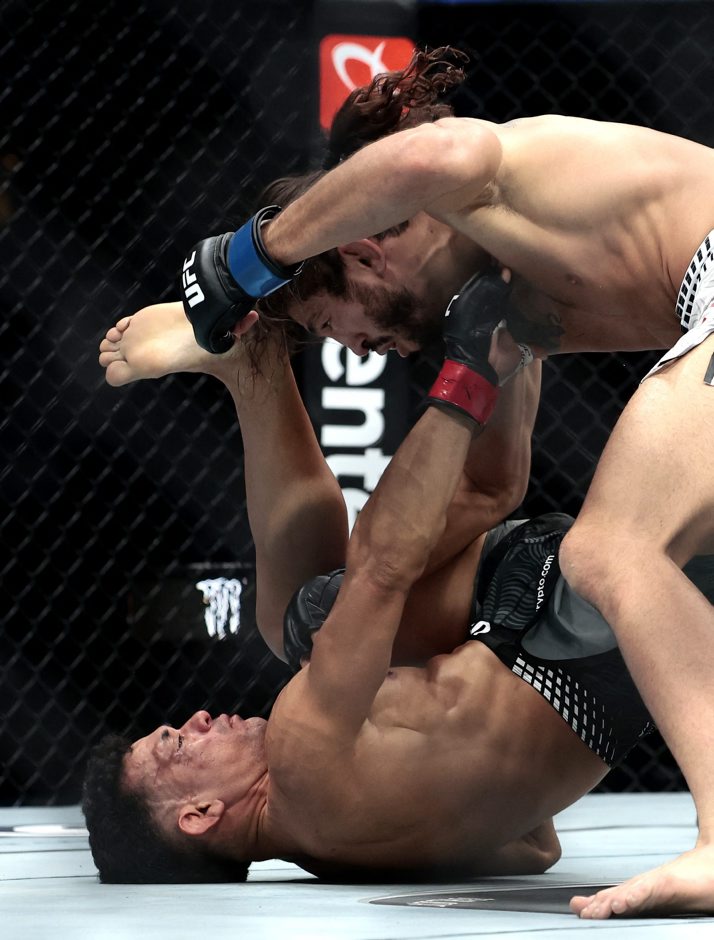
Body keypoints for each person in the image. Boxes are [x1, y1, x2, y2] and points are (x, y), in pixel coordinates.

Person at [173, 48, 714, 917]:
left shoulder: (471, 185)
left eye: (334, 326)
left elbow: (432, 154)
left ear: (362, 252)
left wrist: (253, 256)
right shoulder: (513, 290)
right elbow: (494, 483)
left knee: (614, 548)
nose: (359, 352)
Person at [86, 289, 673, 890]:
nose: (197, 718)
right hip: (568, 603)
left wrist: (469, 715)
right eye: (177, 744)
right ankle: (502, 307)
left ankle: (260, 362)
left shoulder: (336, 856)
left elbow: (534, 847)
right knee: (322, 605)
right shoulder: (297, 751)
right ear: (200, 814)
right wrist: (468, 371)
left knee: (311, 619)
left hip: (618, 687)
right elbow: (384, 567)